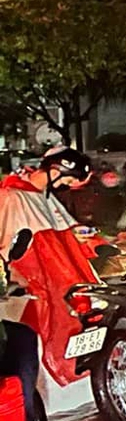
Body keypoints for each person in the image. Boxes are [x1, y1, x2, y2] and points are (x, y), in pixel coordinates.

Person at [0, 147, 109, 405]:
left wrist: (98, 240)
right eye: (69, 180)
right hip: (30, 285)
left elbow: (70, 232)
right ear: (56, 170)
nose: (67, 187)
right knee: (34, 339)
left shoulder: (44, 196)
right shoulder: (11, 197)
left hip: (62, 281)